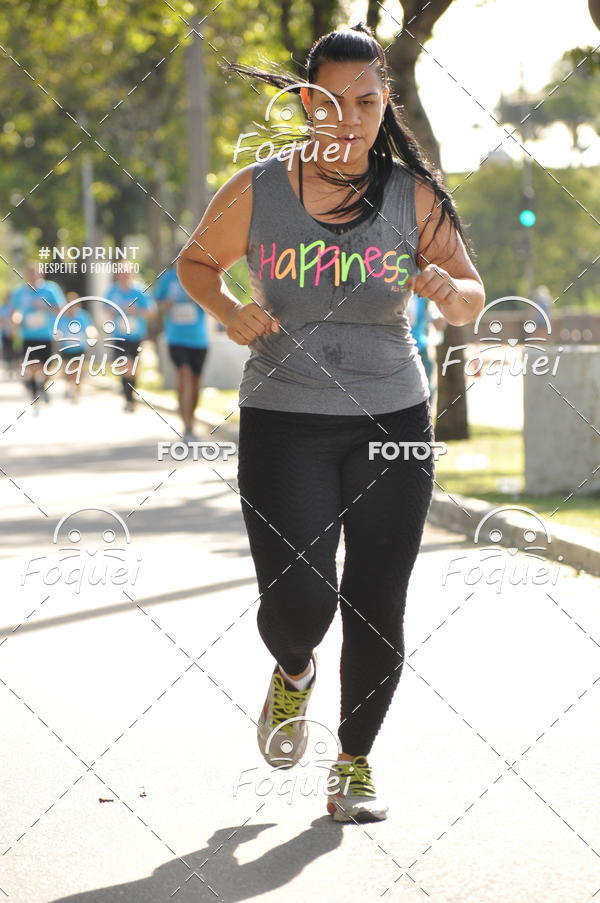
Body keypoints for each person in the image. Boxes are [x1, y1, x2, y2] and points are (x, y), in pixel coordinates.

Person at [177, 23, 485, 822]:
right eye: (329, 101)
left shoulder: (413, 195)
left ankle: (353, 764)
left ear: (387, 102)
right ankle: (292, 671)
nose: (347, 117)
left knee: (377, 598)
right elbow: (195, 262)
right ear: (303, 104)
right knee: (300, 604)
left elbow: (471, 291)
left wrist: (450, 295)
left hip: (393, 415)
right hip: (284, 416)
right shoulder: (258, 190)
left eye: (366, 100)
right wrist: (229, 309)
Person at [155, 264, 210, 441]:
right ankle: (187, 427)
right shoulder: (168, 278)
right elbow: (157, 305)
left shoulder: (201, 277)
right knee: (184, 378)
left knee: (196, 385)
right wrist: (167, 304)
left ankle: (191, 419)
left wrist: (197, 299)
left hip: (199, 339)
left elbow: (214, 303)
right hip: (176, 338)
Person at [8, 260, 66, 405]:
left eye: (36, 272)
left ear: (42, 273)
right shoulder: (19, 292)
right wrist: (15, 323)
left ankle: (42, 387)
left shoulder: (51, 290)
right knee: (33, 366)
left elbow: (62, 309)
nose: (33, 275)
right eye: (30, 272)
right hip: (29, 335)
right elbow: (14, 312)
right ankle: (35, 392)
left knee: (48, 366)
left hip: (47, 334)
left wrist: (46, 306)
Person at [105, 270, 156, 412]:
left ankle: (130, 396)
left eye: (126, 273)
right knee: (125, 364)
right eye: (121, 273)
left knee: (132, 368)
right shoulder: (112, 291)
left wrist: (136, 311)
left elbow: (151, 312)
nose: (124, 276)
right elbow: (105, 309)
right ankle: (128, 399)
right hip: (119, 335)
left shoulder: (140, 291)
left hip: (136, 335)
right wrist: (118, 309)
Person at [407, 290, 447, 412]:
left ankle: (425, 422)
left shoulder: (423, 292)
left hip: (420, 348)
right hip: (398, 350)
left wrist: (437, 319)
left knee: (427, 389)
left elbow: (431, 315)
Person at [56, 292, 96, 401]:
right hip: (66, 347)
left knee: (78, 369)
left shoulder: (83, 316)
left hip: (79, 347)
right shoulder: (62, 316)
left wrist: (92, 335)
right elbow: (57, 330)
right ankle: (69, 387)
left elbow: (89, 328)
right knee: (68, 369)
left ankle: (77, 389)